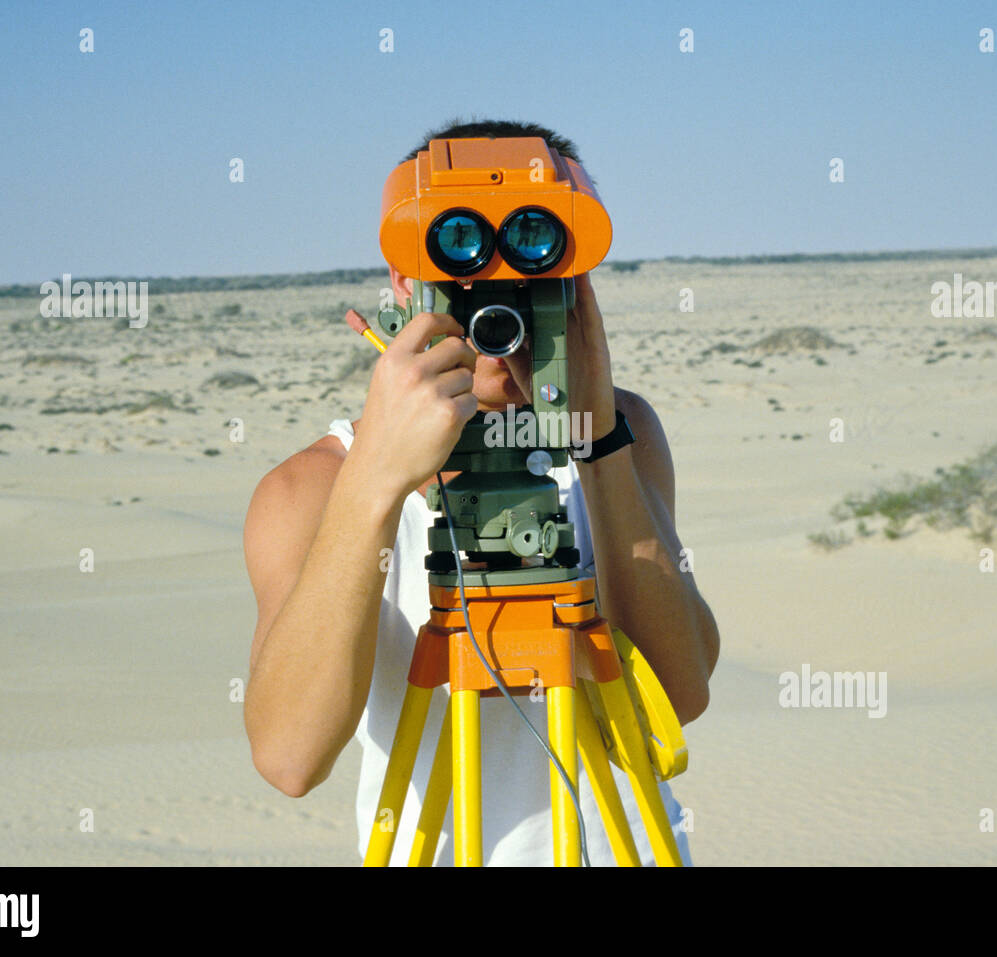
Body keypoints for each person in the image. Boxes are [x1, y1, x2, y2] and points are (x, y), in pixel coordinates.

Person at [242, 119, 720, 865]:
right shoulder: (310, 488)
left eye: (533, 259)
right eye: (463, 264)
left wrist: (596, 443)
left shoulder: (624, 433)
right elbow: (289, 755)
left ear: (574, 276)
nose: (499, 297)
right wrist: (372, 480)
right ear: (403, 279)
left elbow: (680, 688)